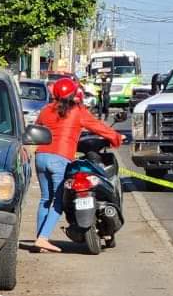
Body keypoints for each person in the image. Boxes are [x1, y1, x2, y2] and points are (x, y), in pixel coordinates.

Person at [32, 78, 123, 252]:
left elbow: (38, 129)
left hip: (41, 156)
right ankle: (43, 239)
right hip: (60, 158)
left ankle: (39, 238)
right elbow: (98, 127)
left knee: (45, 199)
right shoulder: (77, 110)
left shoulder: (45, 110)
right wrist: (117, 138)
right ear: (75, 94)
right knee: (58, 202)